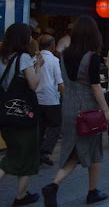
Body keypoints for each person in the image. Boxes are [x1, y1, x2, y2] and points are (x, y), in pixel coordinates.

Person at [41, 16, 109, 206]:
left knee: (73, 150)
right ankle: (89, 191)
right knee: (94, 149)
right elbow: (96, 87)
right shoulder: (92, 57)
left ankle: (57, 185)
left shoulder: (64, 56)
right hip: (88, 111)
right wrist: (106, 111)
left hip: (68, 108)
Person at [0, 23, 43, 206]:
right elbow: (33, 85)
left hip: (5, 115)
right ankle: (20, 196)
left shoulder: (2, 57)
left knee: (13, 152)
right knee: (24, 156)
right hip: (22, 115)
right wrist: (38, 67)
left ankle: (22, 194)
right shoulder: (23, 57)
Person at [36, 35, 65, 167]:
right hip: (50, 98)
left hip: (36, 98)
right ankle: (45, 150)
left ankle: (38, 153)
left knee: (40, 127)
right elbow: (59, 82)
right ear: (52, 46)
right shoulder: (53, 60)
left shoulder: (33, 58)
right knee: (56, 125)